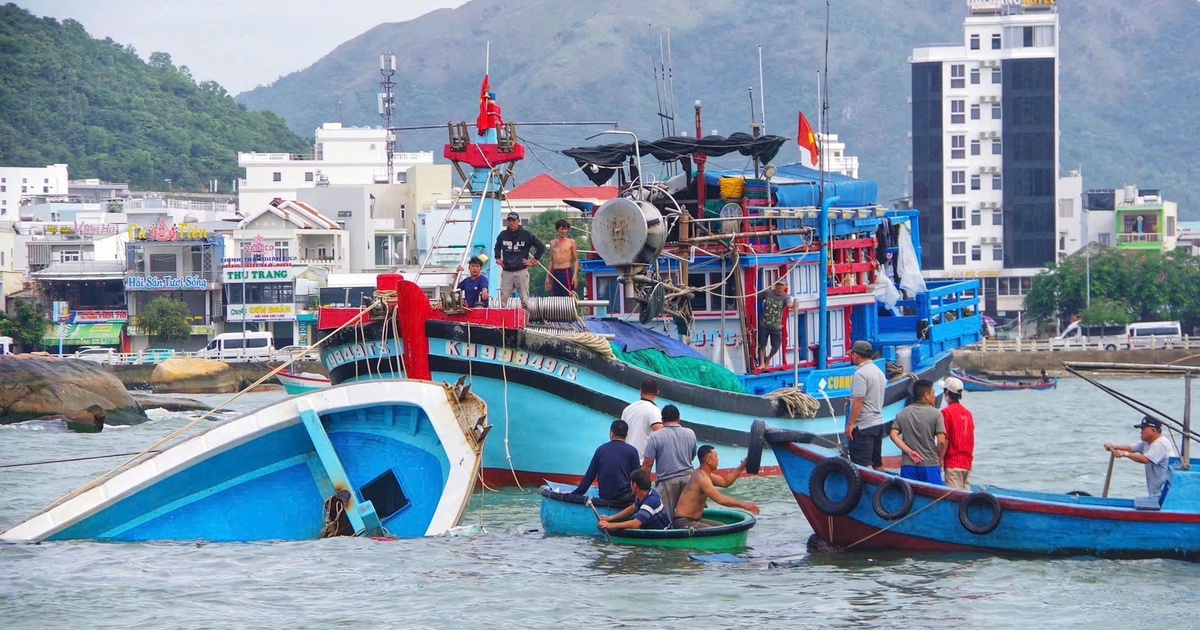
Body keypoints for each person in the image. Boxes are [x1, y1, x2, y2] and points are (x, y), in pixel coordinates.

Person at [671, 445, 759, 529]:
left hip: (694, 520)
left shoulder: (705, 474)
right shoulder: (702, 478)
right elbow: (720, 499)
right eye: (716, 456)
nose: (718, 459)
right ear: (709, 461)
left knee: (723, 526)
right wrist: (744, 505)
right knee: (722, 531)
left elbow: (725, 482)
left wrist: (743, 465)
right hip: (683, 522)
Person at [641, 404, 697, 521]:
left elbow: (647, 464)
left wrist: (642, 486)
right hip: (688, 479)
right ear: (679, 418)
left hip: (667, 482)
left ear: (662, 420)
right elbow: (692, 455)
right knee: (689, 517)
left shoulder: (655, 436)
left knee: (667, 518)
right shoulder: (690, 433)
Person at [889, 379, 946, 484]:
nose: (934, 396)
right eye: (933, 393)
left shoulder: (902, 413)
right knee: (933, 496)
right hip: (930, 465)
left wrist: (909, 451)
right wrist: (939, 457)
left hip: (908, 465)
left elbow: (893, 435)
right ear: (926, 395)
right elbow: (942, 441)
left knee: (908, 496)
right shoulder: (936, 414)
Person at [571, 419, 641, 504]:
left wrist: (575, 494)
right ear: (626, 435)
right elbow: (637, 478)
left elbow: (590, 475)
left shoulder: (601, 450)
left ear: (611, 434)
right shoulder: (632, 451)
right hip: (625, 498)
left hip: (605, 496)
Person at [1105, 416, 1176, 500]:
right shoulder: (1147, 442)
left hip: (1165, 493)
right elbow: (1131, 448)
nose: (1141, 432)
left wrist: (1124, 454)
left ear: (1153, 430)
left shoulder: (1160, 443)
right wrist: (1114, 446)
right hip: (1155, 493)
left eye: (1143, 429)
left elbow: (1145, 459)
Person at [844, 339, 888, 471]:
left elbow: (859, 400)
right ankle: (884, 489)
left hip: (863, 426)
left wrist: (850, 424)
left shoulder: (860, 373)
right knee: (877, 463)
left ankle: (869, 491)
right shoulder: (879, 372)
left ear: (856, 355)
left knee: (863, 464)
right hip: (878, 423)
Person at [493, 212, 545, 310]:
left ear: (518, 221)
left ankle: (525, 322)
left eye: (514, 221)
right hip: (507, 272)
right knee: (502, 300)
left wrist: (533, 261)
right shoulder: (503, 235)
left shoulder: (526, 234)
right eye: (509, 221)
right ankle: (502, 323)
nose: (512, 223)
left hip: (521, 271)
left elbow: (540, 246)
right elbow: (497, 246)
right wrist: (498, 258)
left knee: (524, 300)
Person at [597, 469, 671, 531]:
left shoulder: (650, 502)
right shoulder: (648, 493)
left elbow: (635, 524)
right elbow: (632, 509)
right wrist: (610, 518)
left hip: (662, 533)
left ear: (634, 485)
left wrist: (610, 525)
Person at [940, 376, 974, 489]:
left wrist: (939, 459)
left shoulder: (946, 412)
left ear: (947, 392)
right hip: (967, 463)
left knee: (954, 497)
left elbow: (944, 440)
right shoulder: (967, 413)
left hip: (953, 463)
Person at [621, 377, 662, 457]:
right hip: (640, 461)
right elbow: (662, 435)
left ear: (641, 391)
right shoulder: (655, 411)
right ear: (657, 392)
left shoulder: (628, 409)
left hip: (623, 458)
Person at [756, 280, 793, 367]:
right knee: (762, 344)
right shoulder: (768, 292)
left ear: (785, 287)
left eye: (781, 285)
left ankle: (768, 358)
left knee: (776, 346)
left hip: (776, 326)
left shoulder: (786, 297)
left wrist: (793, 305)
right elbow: (756, 297)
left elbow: (789, 304)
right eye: (778, 285)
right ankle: (762, 363)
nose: (779, 287)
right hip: (764, 323)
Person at [545, 218, 579, 297]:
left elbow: (576, 259)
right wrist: (548, 277)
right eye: (561, 229)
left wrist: (575, 276)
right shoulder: (552, 243)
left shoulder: (571, 242)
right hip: (556, 271)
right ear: (557, 230)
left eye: (565, 229)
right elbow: (552, 261)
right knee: (556, 297)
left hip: (566, 271)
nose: (563, 231)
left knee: (568, 295)